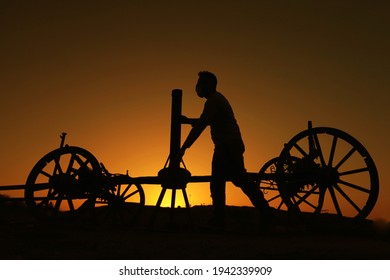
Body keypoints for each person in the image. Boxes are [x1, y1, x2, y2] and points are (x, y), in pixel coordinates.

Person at [178, 71, 272, 227]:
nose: (197, 87)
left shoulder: (213, 101)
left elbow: (202, 124)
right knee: (228, 181)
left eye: (200, 83)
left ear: (208, 85)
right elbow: (206, 120)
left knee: (230, 181)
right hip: (228, 145)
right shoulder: (216, 100)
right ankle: (261, 214)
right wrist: (188, 121)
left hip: (227, 146)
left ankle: (263, 214)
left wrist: (184, 147)